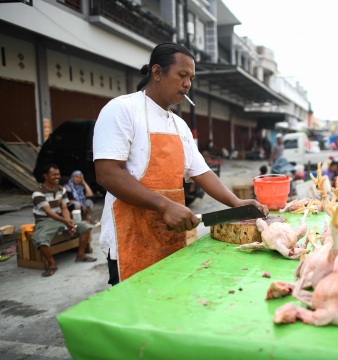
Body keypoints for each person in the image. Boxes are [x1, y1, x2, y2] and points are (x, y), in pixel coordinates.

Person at [93, 43, 268, 286]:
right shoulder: (122, 110)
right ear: (156, 72)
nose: (188, 84)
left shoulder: (179, 125)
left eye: (191, 78)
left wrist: (236, 203)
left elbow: (202, 171)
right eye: (182, 75)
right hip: (130, 239)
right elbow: (107, 173)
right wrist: (164, 205)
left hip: (170, 237)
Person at [32, 164, 95, 277]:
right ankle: (52, 264)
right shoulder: (38, 192)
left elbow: (64, 208)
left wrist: (68, 222)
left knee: (86, 227)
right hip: (45, 221)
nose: (57, 177)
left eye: (58, 174)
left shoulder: (61, 189)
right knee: (40, 238)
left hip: (60, 219)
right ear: (45, 176)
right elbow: (48, 212)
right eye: (54, 175)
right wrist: (65, 221)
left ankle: (80, 255)